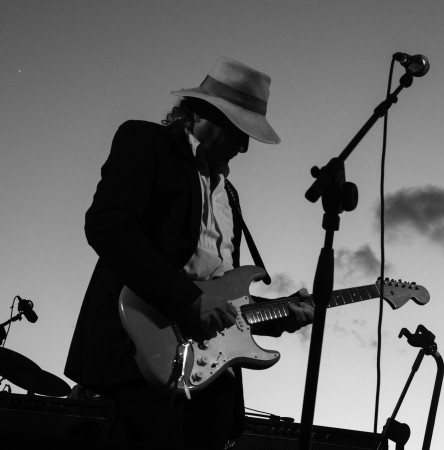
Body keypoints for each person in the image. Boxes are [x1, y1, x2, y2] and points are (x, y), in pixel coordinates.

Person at [65, 57, 314, 449]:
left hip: (212, 375)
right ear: (204, 113)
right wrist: (187, 301)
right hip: (143, 350)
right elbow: (108, 226)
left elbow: (221, 298)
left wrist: (281, 314)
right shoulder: (146, 142)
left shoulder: (229, 195)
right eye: (240, 130)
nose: (245, 146)